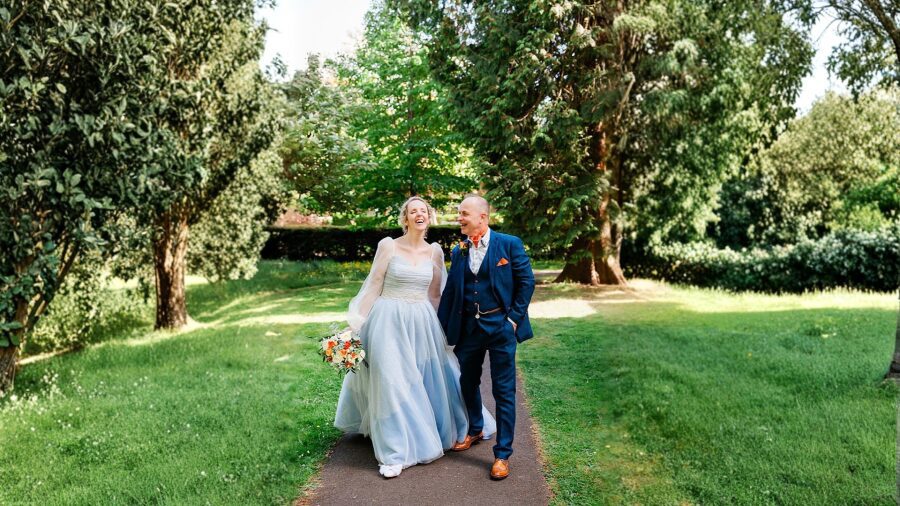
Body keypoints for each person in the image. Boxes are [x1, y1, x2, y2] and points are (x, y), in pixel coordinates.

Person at [334, 196, 495, 478]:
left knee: (421, 378)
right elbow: (373, 284)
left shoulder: (435, 252)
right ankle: (395, 453)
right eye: (413, 211)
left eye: (423, 210)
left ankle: (438, 428)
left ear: (429, 218)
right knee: (390, 380)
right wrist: (356, 323)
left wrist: (443, 332)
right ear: (405, 219)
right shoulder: (388, 245)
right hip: (388, 319)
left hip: (421, 321)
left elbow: (435, 295)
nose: (419, 214)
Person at [437, 195, 535, 480]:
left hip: (501, 327)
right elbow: (452, 291)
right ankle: (476, 428)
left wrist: (513, 321)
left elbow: (526, 282)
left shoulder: (509, 244)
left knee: (504, 390)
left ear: (482, 216)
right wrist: (440, 327)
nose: (459, 218)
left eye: (463, 213)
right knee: (466, 380)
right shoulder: (459, 251)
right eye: (459, 214)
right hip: (469, 329)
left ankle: (502, 454)